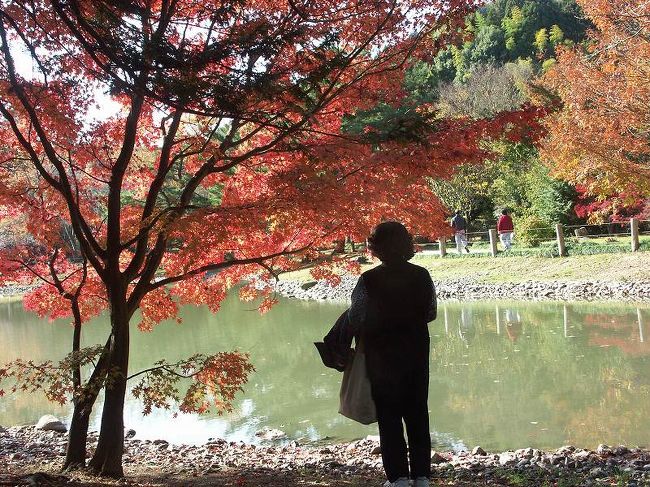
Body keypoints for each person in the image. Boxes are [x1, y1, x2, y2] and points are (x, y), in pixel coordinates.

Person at [348, 221, 437, 487]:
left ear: (376, 248)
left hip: (381, 357)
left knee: (389, 417)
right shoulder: (422, 275)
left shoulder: (368, 280)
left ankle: (397, 478)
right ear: (406, 243)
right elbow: (430, 312)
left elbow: (356, 316)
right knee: (418, 413)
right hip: (416, 353)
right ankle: (421, 477)